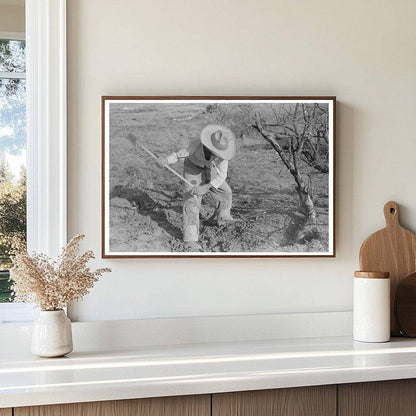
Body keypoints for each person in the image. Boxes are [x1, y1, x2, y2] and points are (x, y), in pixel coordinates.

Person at [158, 125, 237, 251]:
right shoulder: (195, 144)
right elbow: (178, 156)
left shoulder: (223, 154)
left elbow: (222, 175)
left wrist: (206, 187)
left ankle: (222, 218)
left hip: (210, 169)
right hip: (193, 168)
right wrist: (166, 161)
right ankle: (190, 240)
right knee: (191, 200)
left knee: (225, 191)